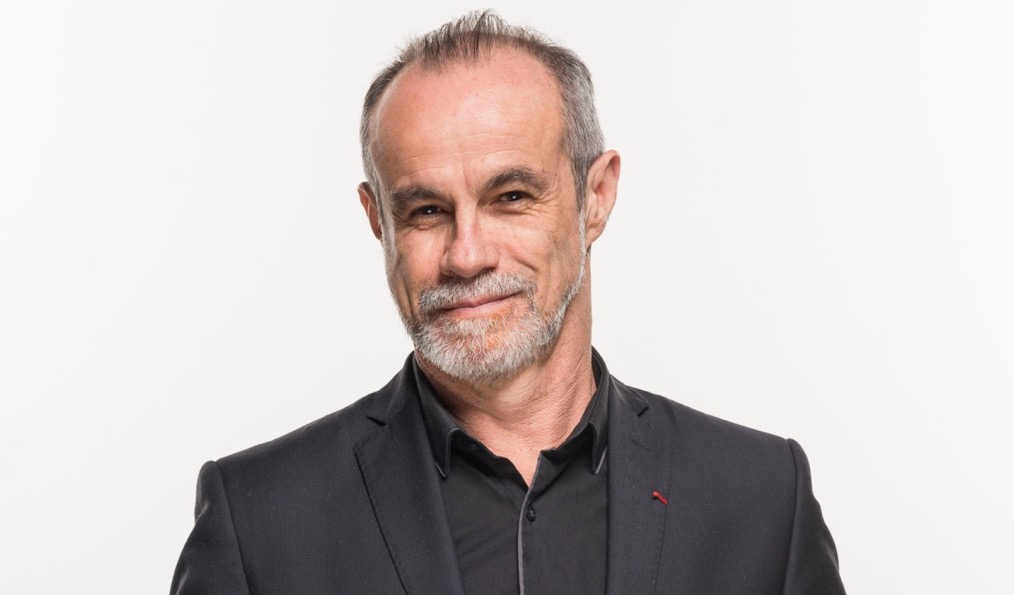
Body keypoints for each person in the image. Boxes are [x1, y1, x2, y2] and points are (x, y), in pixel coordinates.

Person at [171, 11, 845, 595]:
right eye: (426, 210)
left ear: (596, 197)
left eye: (511, 197)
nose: (467, 255)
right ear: (377, 220)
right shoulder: (258, 522)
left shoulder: (761, 498)